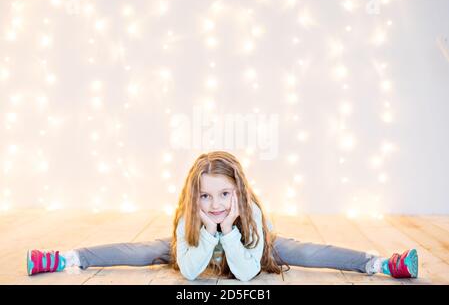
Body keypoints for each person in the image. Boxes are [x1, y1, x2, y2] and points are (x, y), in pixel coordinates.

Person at [27, 151, 418, 281]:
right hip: (200, 245)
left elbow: (248, 274)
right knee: (142, 250)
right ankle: (67, 258)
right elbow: (193, 272)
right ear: (193, 197)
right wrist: (207, 232)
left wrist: (228, 230)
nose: (215, 204)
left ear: (240, 193)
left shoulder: (252, 216)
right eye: (206, 196)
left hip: (248, 246)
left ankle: (380, 264)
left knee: (308, 252)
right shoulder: (188, 219)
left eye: (225, 194)